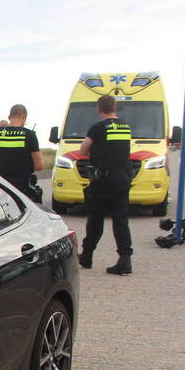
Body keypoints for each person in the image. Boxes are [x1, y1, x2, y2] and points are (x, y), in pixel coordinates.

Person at [77, 95, 133, 275]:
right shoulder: (125, 127)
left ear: (99, 108)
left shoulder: (98, 127)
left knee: (95, 219)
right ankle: (125, 260)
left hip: (102, 180)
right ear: (114, 108)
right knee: (120, 220)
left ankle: (86, 256)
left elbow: (83, 150)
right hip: (121, 179)